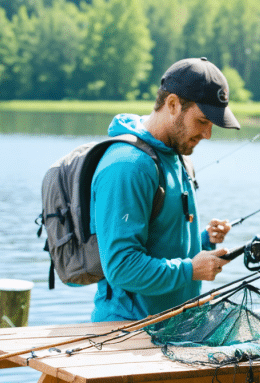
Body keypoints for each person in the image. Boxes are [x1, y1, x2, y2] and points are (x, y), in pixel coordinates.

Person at [90, 57, 238, 323]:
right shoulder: (127, 166)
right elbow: (122, 267)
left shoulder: (177, 155)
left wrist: (204, 241)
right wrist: (191, 270)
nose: (208, 134)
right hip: (129, 331)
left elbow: (161, 242)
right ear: (172, 104)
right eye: (203, 121)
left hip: (173, 325)